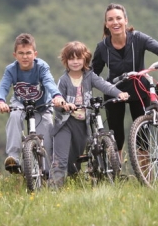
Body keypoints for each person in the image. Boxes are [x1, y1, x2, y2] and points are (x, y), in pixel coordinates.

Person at [92, 3, 158, 159]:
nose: (115, 22)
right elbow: (93, 73)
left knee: (142, 136)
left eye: (119, 18)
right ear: (106, 24)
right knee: (115, 135)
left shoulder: (138, 38)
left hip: (139, 89)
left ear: (126, 20)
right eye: (110, 19)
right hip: (115, 91)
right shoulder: (103, 47)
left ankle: (145, 177)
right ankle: (117, 173)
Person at [49, 41, 129, 188]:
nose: (75, 62)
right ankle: (54, 188)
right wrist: (64, 105)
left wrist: (119, 93)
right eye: (71, 58)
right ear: (65, 61)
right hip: (65, 124)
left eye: (78, 58)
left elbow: (105, 85)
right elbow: (57, 100)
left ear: (85, 59)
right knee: (60, 158)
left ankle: (73, 180)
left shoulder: (89, 76)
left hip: (83, 122)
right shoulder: (64, 80)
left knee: (76, 157)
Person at [0, 33, 66, 174]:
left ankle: (46, 170)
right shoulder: (11, 69)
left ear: (35, 54)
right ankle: (13, 157)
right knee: (14, 116)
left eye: (28, 53)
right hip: (20, 103)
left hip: (41, 106)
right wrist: (0, 101)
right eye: (21, 53)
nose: (25, 56)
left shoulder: (41, 67)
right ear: (15, 55)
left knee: (46, 132)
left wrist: (57, 96)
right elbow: (3, 86)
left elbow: (49, 82)